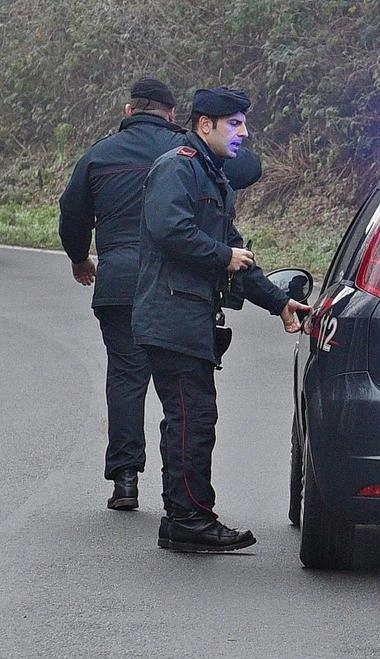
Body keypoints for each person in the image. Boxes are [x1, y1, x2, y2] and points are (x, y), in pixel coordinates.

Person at [133, 86, 311, 553]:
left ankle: (181, 518)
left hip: (188, 319)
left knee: (187, 420)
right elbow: (169, 230)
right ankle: (191, 518)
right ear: (204, 124)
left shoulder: (212, 179)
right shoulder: (177, 167)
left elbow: (239, 258)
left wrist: (279, 302)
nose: (244, 133)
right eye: (234, 124)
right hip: (172, 317)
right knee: (193, 420)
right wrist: (221, 255)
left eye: (243, 124)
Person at [59, 77, 187, 512]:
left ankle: (126, 479)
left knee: (127, 378)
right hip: (176, 286)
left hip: (117, 282)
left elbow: (71, 212)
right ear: (172, 114)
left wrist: (80, 258)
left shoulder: (99, 154)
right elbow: (244, 171)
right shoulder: (186, 152)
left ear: (129, 111)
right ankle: (183, 487)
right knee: (182, 383)